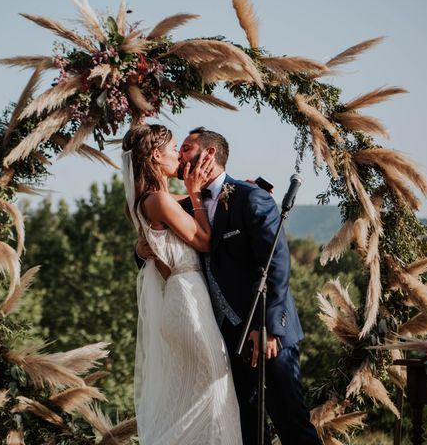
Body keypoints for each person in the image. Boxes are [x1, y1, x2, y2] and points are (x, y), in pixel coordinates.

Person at [137, 127, 321, 445]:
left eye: (187, 148)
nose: (179, 155)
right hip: (223, 337)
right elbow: (158, 240)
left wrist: (268, 326)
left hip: (265, 332)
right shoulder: (180, 206)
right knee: (245, 429)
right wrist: (140, 251)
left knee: (291, 423)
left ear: (209, 154)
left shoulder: (251, 198)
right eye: (177, 149)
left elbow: (276, 263)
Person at [122, 124, 243, 445]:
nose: (178, 155)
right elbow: (204, 241)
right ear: (155, 156)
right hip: (188, 304)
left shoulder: (151, 199)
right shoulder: (158, 200)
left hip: (183, 300)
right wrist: (194, 192)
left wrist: (234, 187)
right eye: (174, 149)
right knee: (214, 391)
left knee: (196, 398)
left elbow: (194, 201)